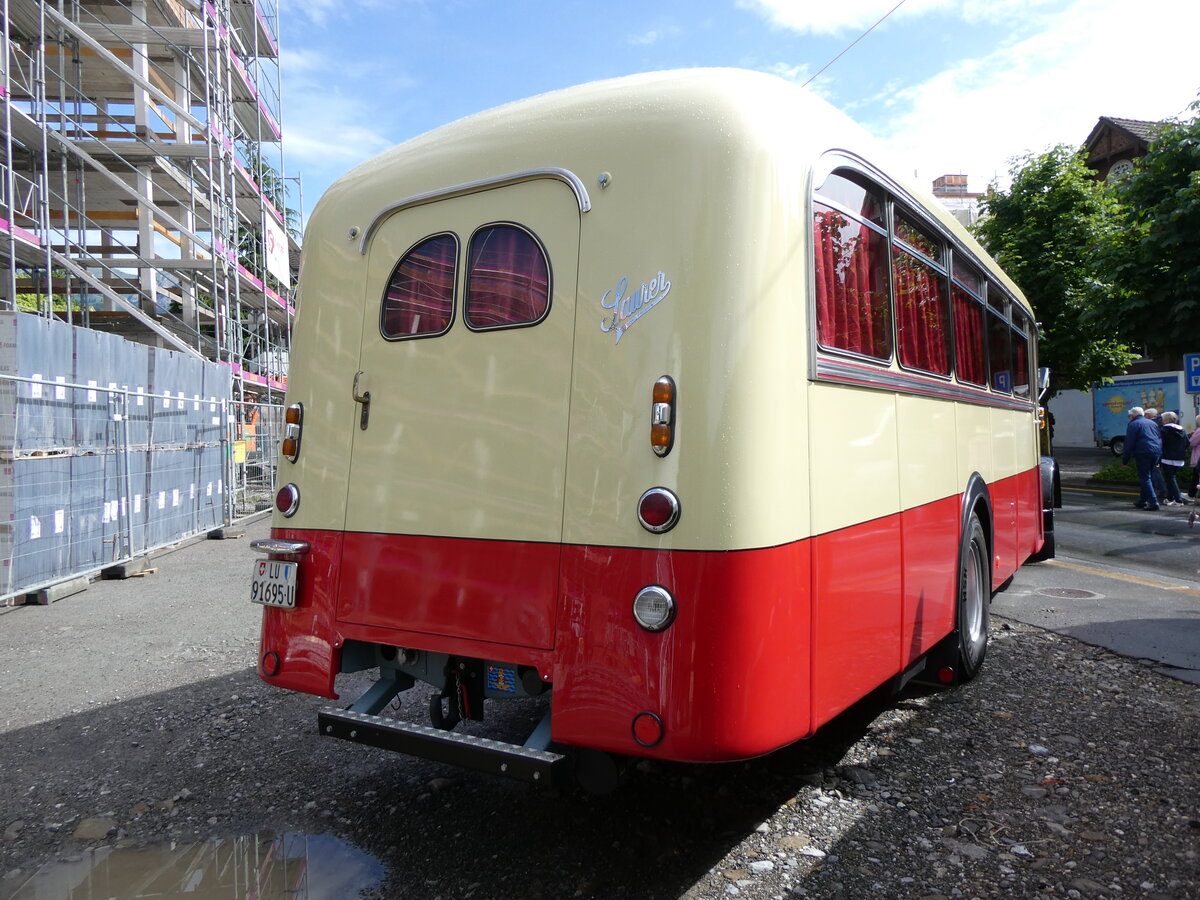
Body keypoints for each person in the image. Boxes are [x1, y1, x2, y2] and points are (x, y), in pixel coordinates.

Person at [1122, 406, 1161, 510]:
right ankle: (1142, 501)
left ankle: (1153, 502)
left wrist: (1125, 460)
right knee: (1150, 476)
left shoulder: (1133, 424)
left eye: (1130, 415)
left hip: (1143, 452)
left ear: (1133, 416)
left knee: (1145, 477)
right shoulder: (1153, 423)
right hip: (1156, 451)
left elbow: (1129, 443)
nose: (1129, 417)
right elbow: (1159, 438)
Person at [1158, 411, 1187, 505]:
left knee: (1170, 479)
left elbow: (1161, 444)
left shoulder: (1164, 430)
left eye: (1162, 419)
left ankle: (1178, 500)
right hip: (1179, 458)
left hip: (1167, 458)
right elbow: (1187, 443)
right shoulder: (1182, 430)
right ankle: (1170, 499)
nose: (1162, 421)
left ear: (1166, 420)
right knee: (1171, 478)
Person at [1143, 408, 1167, 500]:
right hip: (1159, 449)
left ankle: (1161, 490)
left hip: (1154, 449)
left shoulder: (1152, 423)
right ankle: (1160, 490)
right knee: (1155, 470)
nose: (1144, 417)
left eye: (1145, 415)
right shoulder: (1159, 423)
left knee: (1154, 470)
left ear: (1149, 415)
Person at [1189, 414, 1200, 500]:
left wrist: (1192, 435)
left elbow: (1192, 442)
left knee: (1196, 477)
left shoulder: (1199, 431)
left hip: (1198, 456)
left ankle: (1192, 494)